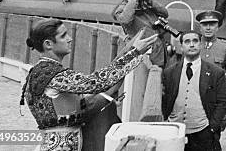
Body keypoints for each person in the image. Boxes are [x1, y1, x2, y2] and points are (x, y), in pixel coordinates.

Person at [21, 19, 157, 151]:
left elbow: (76, 104)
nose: (70, 38)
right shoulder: (51, 74)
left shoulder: (43, 71)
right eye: (63, 36)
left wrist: (105, 97)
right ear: (48, 44)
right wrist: (134, 52)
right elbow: (98, 82)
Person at [162, 31, 226, 151]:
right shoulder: (169, 72)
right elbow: (164, 99)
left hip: (203, 133)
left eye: (195, 41)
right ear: (181, 47)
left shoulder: (215, 72)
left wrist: (212, 127)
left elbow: (223, 102)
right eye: (187, 42)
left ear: (200, 45)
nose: (191, 45)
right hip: (176, 131)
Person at [112, 0, 170, 67]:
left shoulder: (145, 3)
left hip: (158, 48)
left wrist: (150, 0)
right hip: (142, 53)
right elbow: (125, 20)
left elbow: (165, 13)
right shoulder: (122, 7)